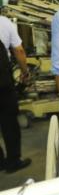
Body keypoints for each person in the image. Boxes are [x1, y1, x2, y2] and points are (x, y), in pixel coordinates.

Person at [0, 15, 32, 173]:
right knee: (9, 121)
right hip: (2, 82)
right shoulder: (4, 22)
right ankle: (13, 161)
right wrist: (25, 72)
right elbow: (18, 50)